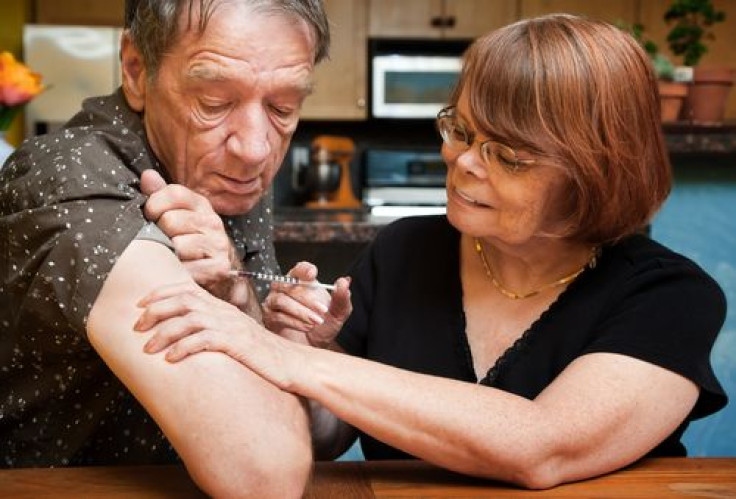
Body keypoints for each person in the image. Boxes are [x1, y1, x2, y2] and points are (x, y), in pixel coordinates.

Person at [133, 13, 728, 489]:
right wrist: (292, 343)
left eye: (509, 155)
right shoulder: (405, 250)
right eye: (462, 131)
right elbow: (327, 438)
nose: (463, 163)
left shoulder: (670, 298)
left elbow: (541, 447)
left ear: (596, 173)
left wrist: (294, 361)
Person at [0, 0, 329, 496]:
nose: (256, 148)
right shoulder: (73, 181)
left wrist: (238, 298)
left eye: (283, 106)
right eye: (214, 102)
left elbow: (324, 429)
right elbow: (265, 473)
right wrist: (283, 351)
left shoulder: (224, 164)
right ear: (136, 69)